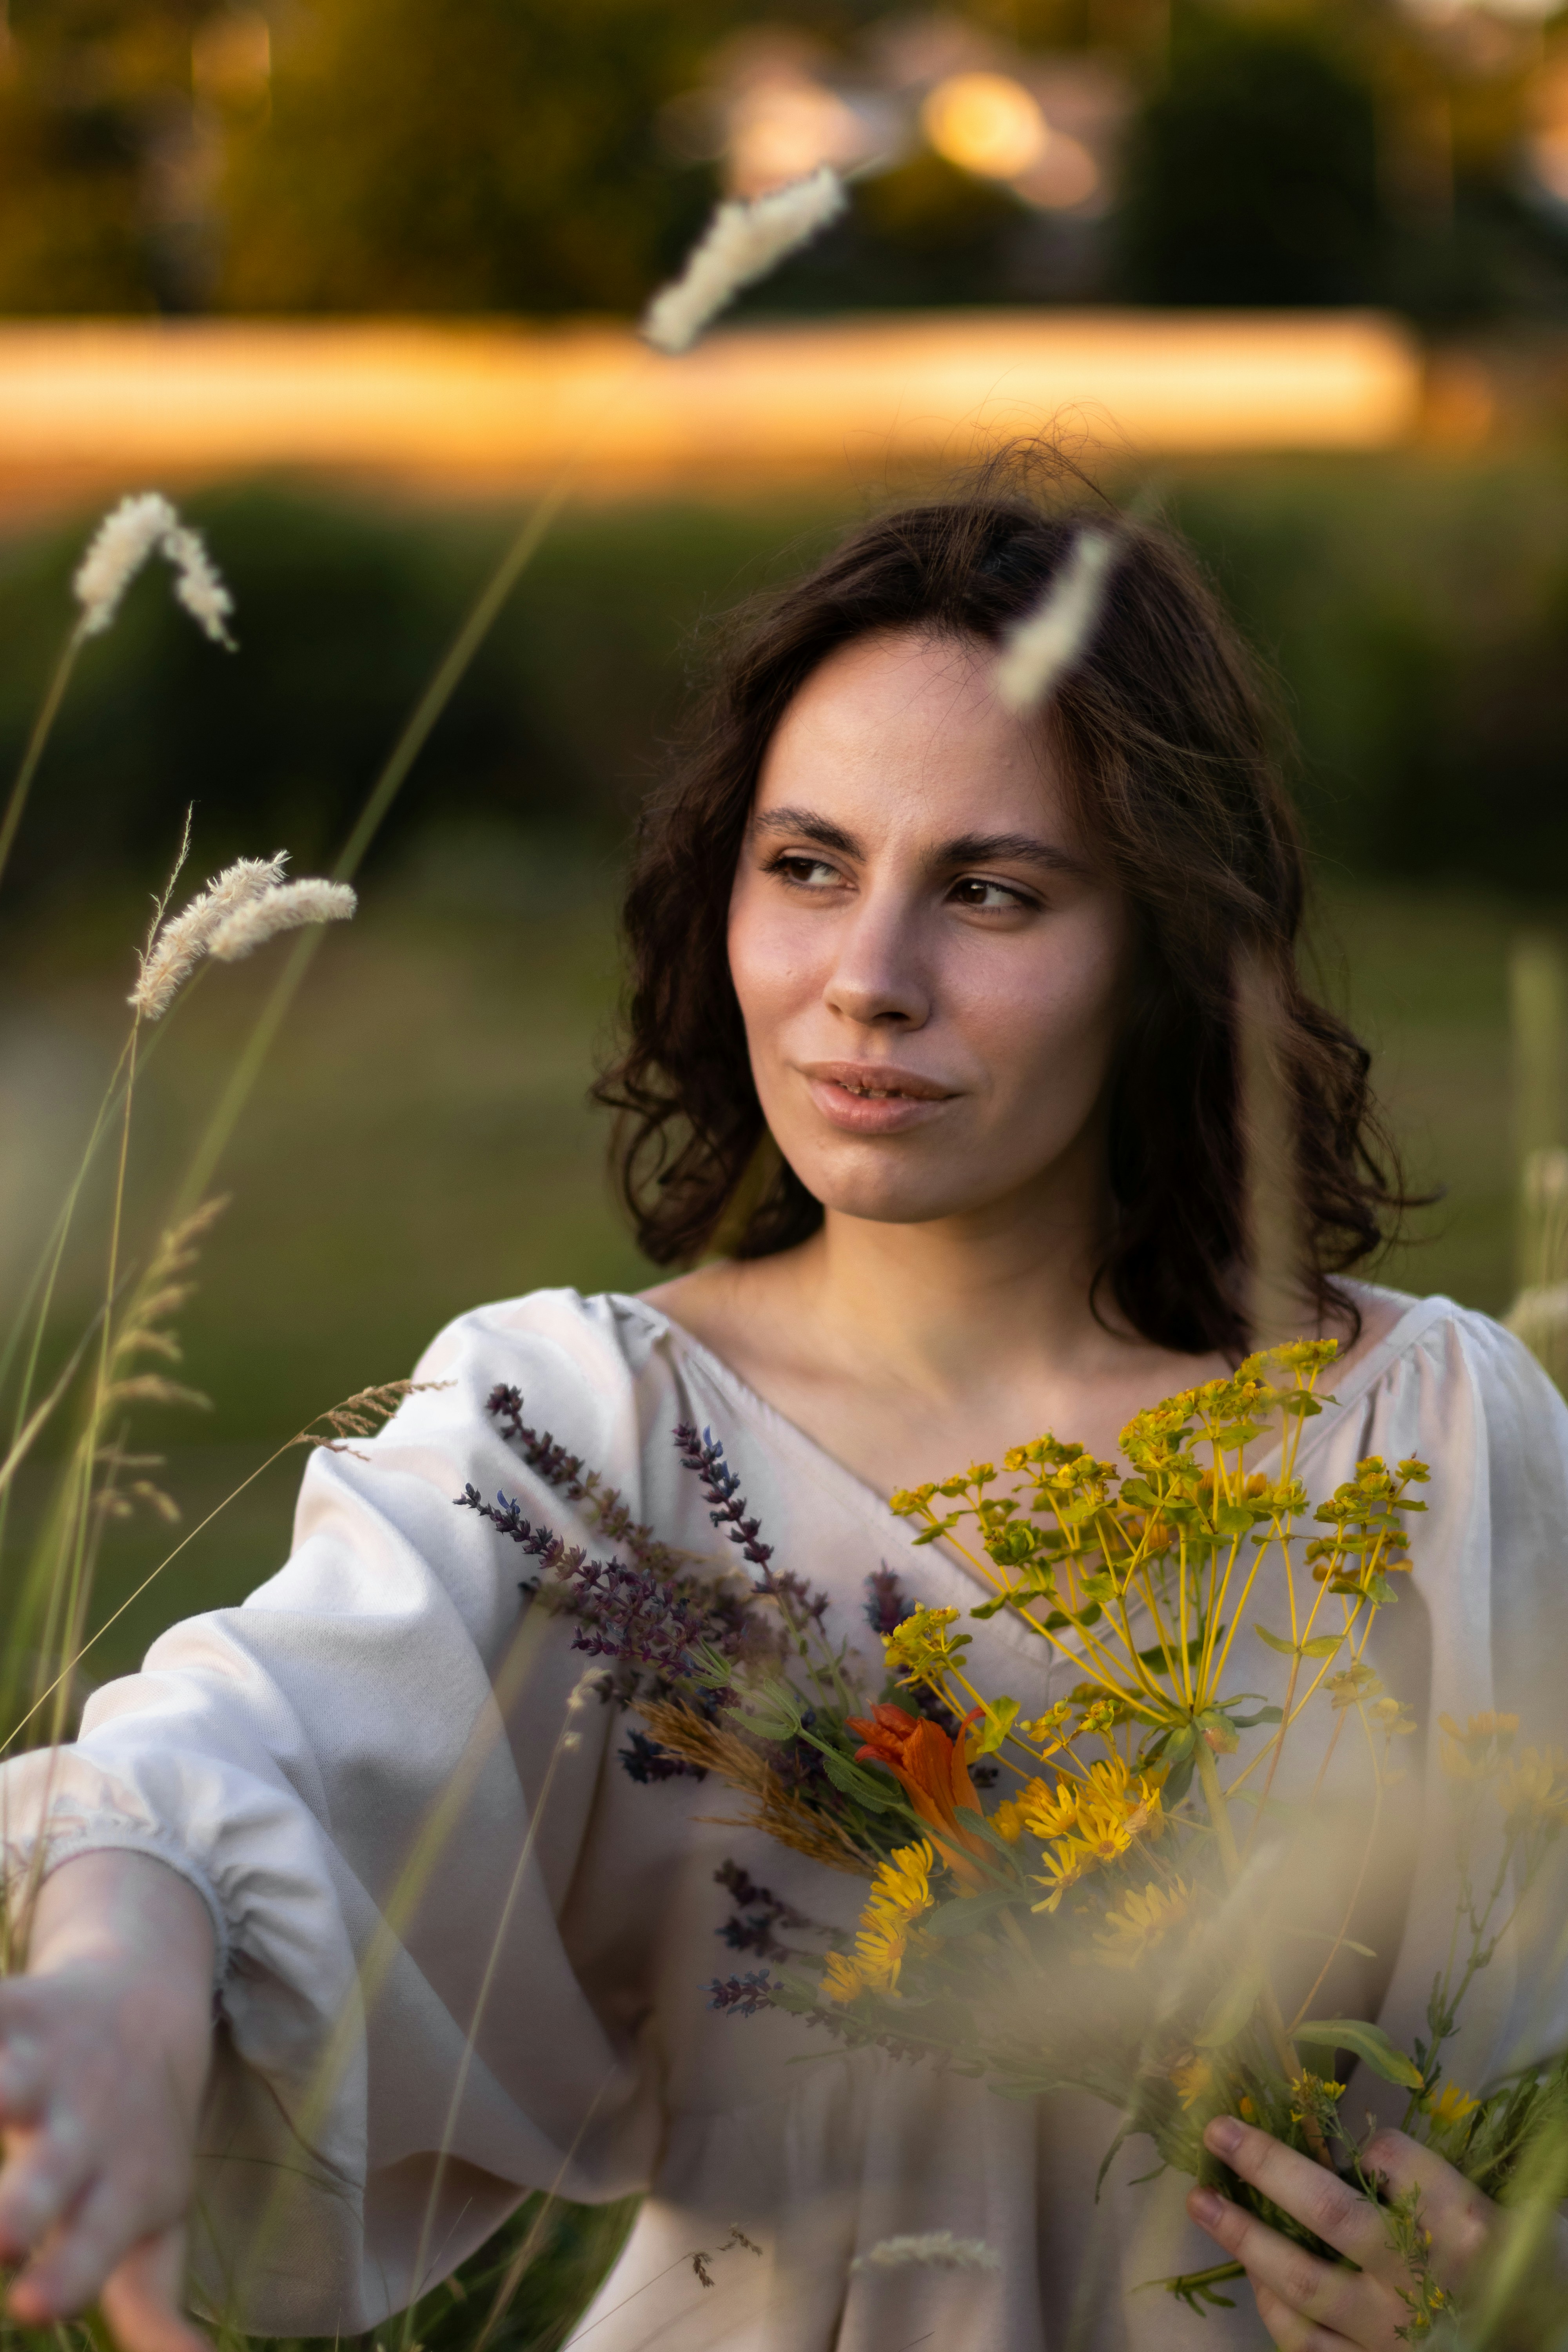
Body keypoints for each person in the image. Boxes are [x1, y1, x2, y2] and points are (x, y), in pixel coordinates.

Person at [1, 471, 1565, 2352]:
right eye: (807, 866)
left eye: (990, 893)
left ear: (1164, 940)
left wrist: (1519, 2283)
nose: (865, 984)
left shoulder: (1418, 1443)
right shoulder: (581, 1438)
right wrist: (114, 1988)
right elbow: (244, 1747)